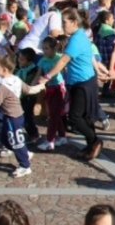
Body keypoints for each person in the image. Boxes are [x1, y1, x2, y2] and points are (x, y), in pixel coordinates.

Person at [38, 8, 103, 160]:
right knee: (83, 117)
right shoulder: (78, 36)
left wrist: (47, 76)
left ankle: (95, 141)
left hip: (83, 83)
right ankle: (90, 145)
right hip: (77, 81)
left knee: (75, 118)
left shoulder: (77, 39)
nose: (62, 25)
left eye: (64, 22)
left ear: (74, 22)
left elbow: (63, 60)